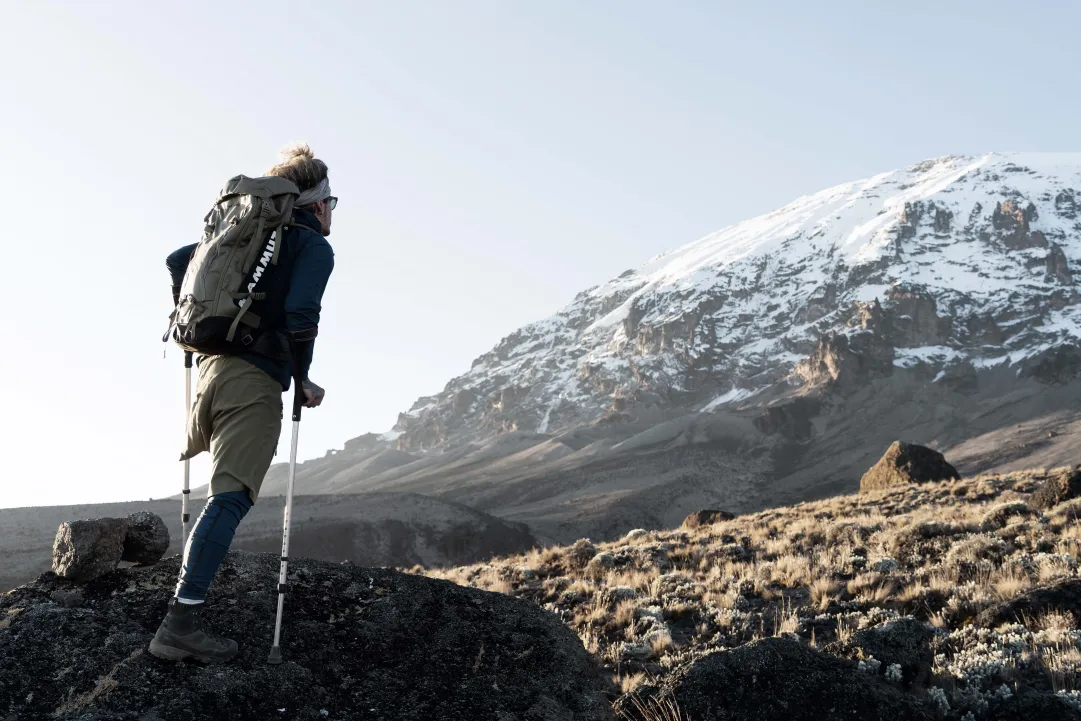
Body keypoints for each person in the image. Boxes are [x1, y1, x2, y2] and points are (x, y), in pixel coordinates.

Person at [149, 144, 336, 663]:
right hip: (252, 383)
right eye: (332, 203)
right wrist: (303, 378)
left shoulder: (242, 237)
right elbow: (302, 315)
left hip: (211, 373)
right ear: (315, 203)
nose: (331, 213)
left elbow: (177, 260)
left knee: (221, 495)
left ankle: (183, 610)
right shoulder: (309, 247)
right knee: (230, 497)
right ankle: (179, 625)